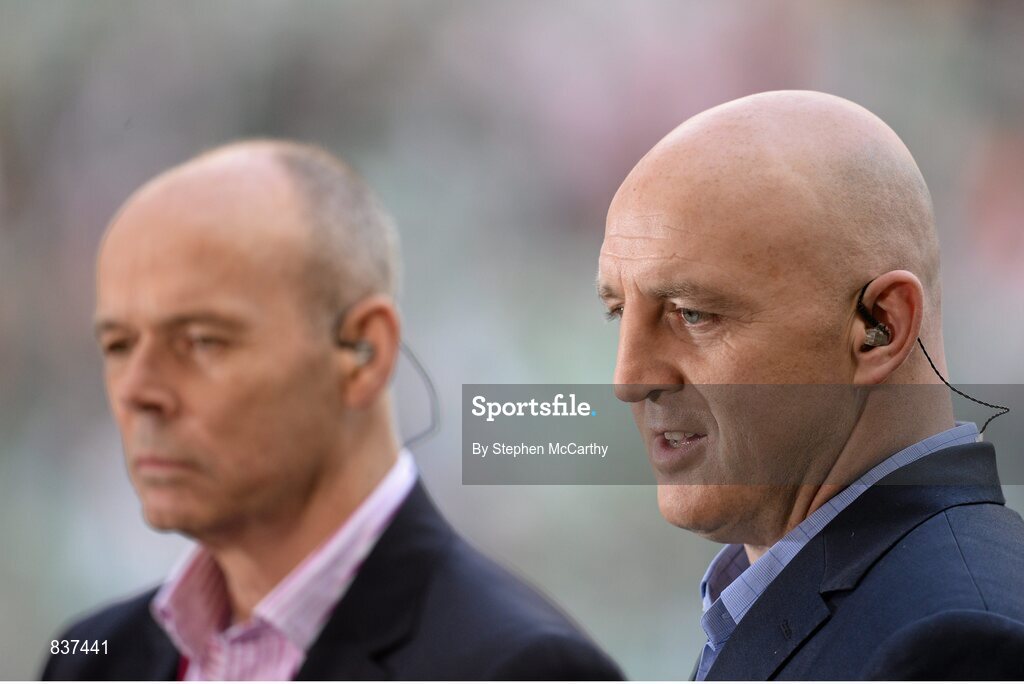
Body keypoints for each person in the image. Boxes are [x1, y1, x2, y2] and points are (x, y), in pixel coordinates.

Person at [44, 140, 623, 681]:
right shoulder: (88, 655)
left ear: (362, 353)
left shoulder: (517, 666)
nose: (138, 390)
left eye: (200, 341)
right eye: (118, 345)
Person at [597, 91, 1024, 680]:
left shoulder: (955, 646)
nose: (628, 380)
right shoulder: (789, 591)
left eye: (691, 313)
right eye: (619, 312)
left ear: (881, 327)